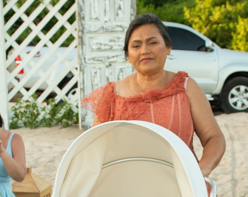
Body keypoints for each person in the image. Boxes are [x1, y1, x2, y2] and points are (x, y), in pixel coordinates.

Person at [81, 14, 226, 176]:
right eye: (136, 46)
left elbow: (214, 138)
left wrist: (201, 170)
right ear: (128, 55)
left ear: (168, 47)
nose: (145, 50)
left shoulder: (186, 87)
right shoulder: (112, 95)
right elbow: (93, 148)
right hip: (125, 185)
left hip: (180, 185)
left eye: (153, 42)